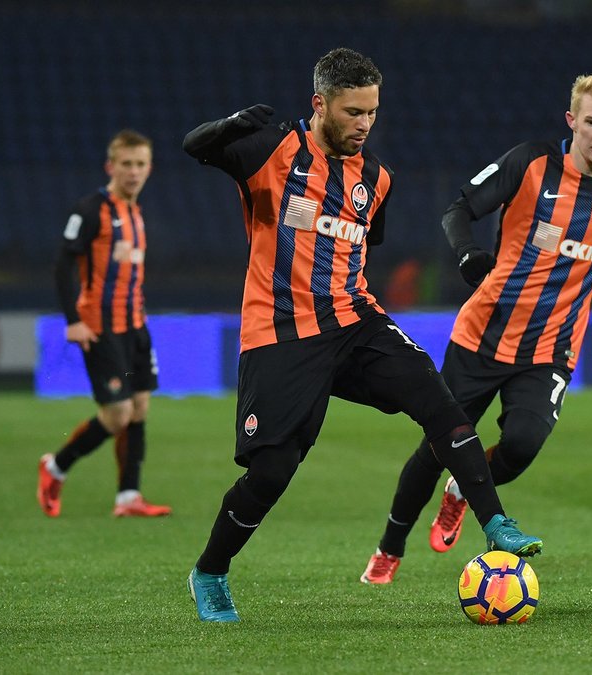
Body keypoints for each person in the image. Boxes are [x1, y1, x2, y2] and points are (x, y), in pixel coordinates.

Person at [180, 48, 541, 622]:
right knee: (272, 471)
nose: (365, 123)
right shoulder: (272, 149)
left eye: (372, 112)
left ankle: (496, 521)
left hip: (355, 321)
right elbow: (194, 146)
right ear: (320, 104)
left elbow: (362, 241)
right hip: (281, 332)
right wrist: (229, 127)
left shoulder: (377, 178)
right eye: (353, 112)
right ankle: (210, 571)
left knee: (438, 399)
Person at [362, 71, 592, 584]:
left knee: (522, 444)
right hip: (482, 336)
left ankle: (462, 491)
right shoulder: (530, 163)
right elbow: (458, 209)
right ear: (571, 121)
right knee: (437, 448)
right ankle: (390, 547)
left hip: (552, 347)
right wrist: (467, 253)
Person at [37, 129, 171, 519]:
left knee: (140, 408)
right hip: (101, 327)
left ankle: (128, 497)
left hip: (135, 326)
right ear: (110, 167)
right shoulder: (90, 209)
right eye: (126, 164)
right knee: (118, 414)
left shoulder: (135, 213)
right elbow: (63, 264)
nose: (134, 172)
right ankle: (55, 467)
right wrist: (73, 320)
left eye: (140, 164)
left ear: (149, 168)